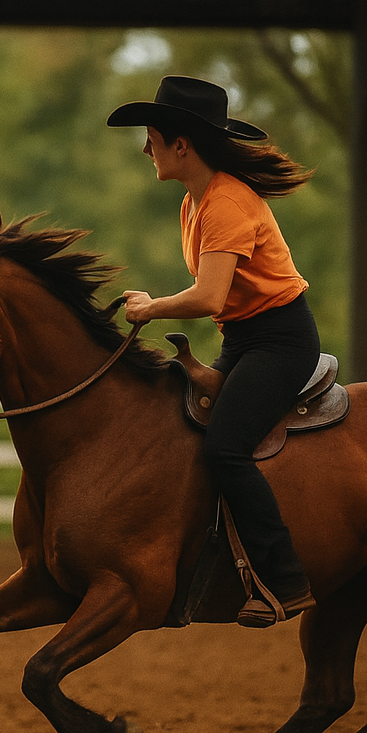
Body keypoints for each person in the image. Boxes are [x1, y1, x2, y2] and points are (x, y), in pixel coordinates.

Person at [109, 75, 320, 628]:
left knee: (225, 449)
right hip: (247, 341)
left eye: (152, 135)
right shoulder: (195, 204)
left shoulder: (226, 204)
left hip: (280, 343)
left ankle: (286, 578)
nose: (145, 146)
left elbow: (209, 297)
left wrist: (152, 308)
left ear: (182, 144)